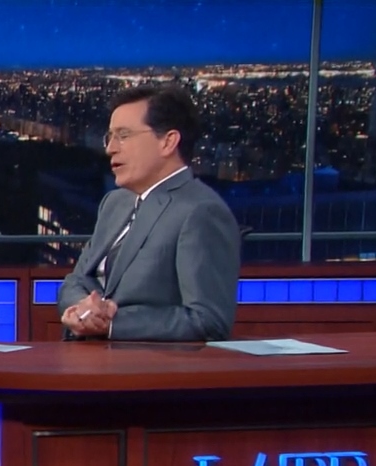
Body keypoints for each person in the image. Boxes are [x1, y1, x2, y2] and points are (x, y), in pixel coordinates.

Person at [58, 84, 242, 341]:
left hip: (146, 362)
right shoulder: (115, 203)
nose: (111, 148)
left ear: (168, 142)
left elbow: (209, 320)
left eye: (123, 135)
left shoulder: (201, 211)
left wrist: (111, 324)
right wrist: (82, 310)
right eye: (109, 137)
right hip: (86, 357)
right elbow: (74, 282)